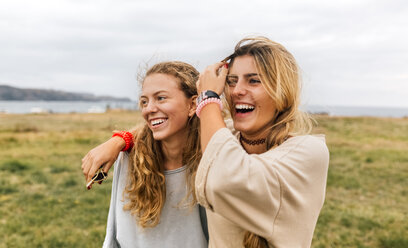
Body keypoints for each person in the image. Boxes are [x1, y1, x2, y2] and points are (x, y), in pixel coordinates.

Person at [194, 36, 329, 247]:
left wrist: (208, 99)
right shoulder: (226, 135)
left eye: (254, 80)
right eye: (231, 81)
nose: (236, 91)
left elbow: (225, 179)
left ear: (282, 91)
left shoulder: (310, 153)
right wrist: (124, 139)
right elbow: (174, 122)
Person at [81, 61, 208, 248]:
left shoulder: (212, 158)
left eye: (161, 98)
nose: (148, 109)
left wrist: (120, 139)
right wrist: (120, 140)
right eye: (144, 101)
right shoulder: (130, 158)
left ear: (192, 104)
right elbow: (114, 236)